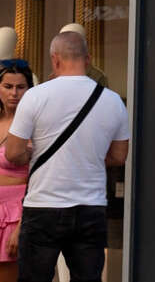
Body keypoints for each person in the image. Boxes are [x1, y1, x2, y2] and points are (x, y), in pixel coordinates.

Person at [4, 32, 129, 282]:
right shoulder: (112, 100)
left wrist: (33, 152)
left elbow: (14, 152)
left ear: (55, 59)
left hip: (43, 207)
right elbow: (118, 156)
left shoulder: (36, 96)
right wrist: (86, 157)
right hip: (90, 207)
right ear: (88, 59)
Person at [0, 60, 32, 282]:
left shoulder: (35, 125)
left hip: (16, 214)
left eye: (20, 87)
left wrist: (23, 225)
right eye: (8, 86)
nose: (14, 93)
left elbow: (41, 178)